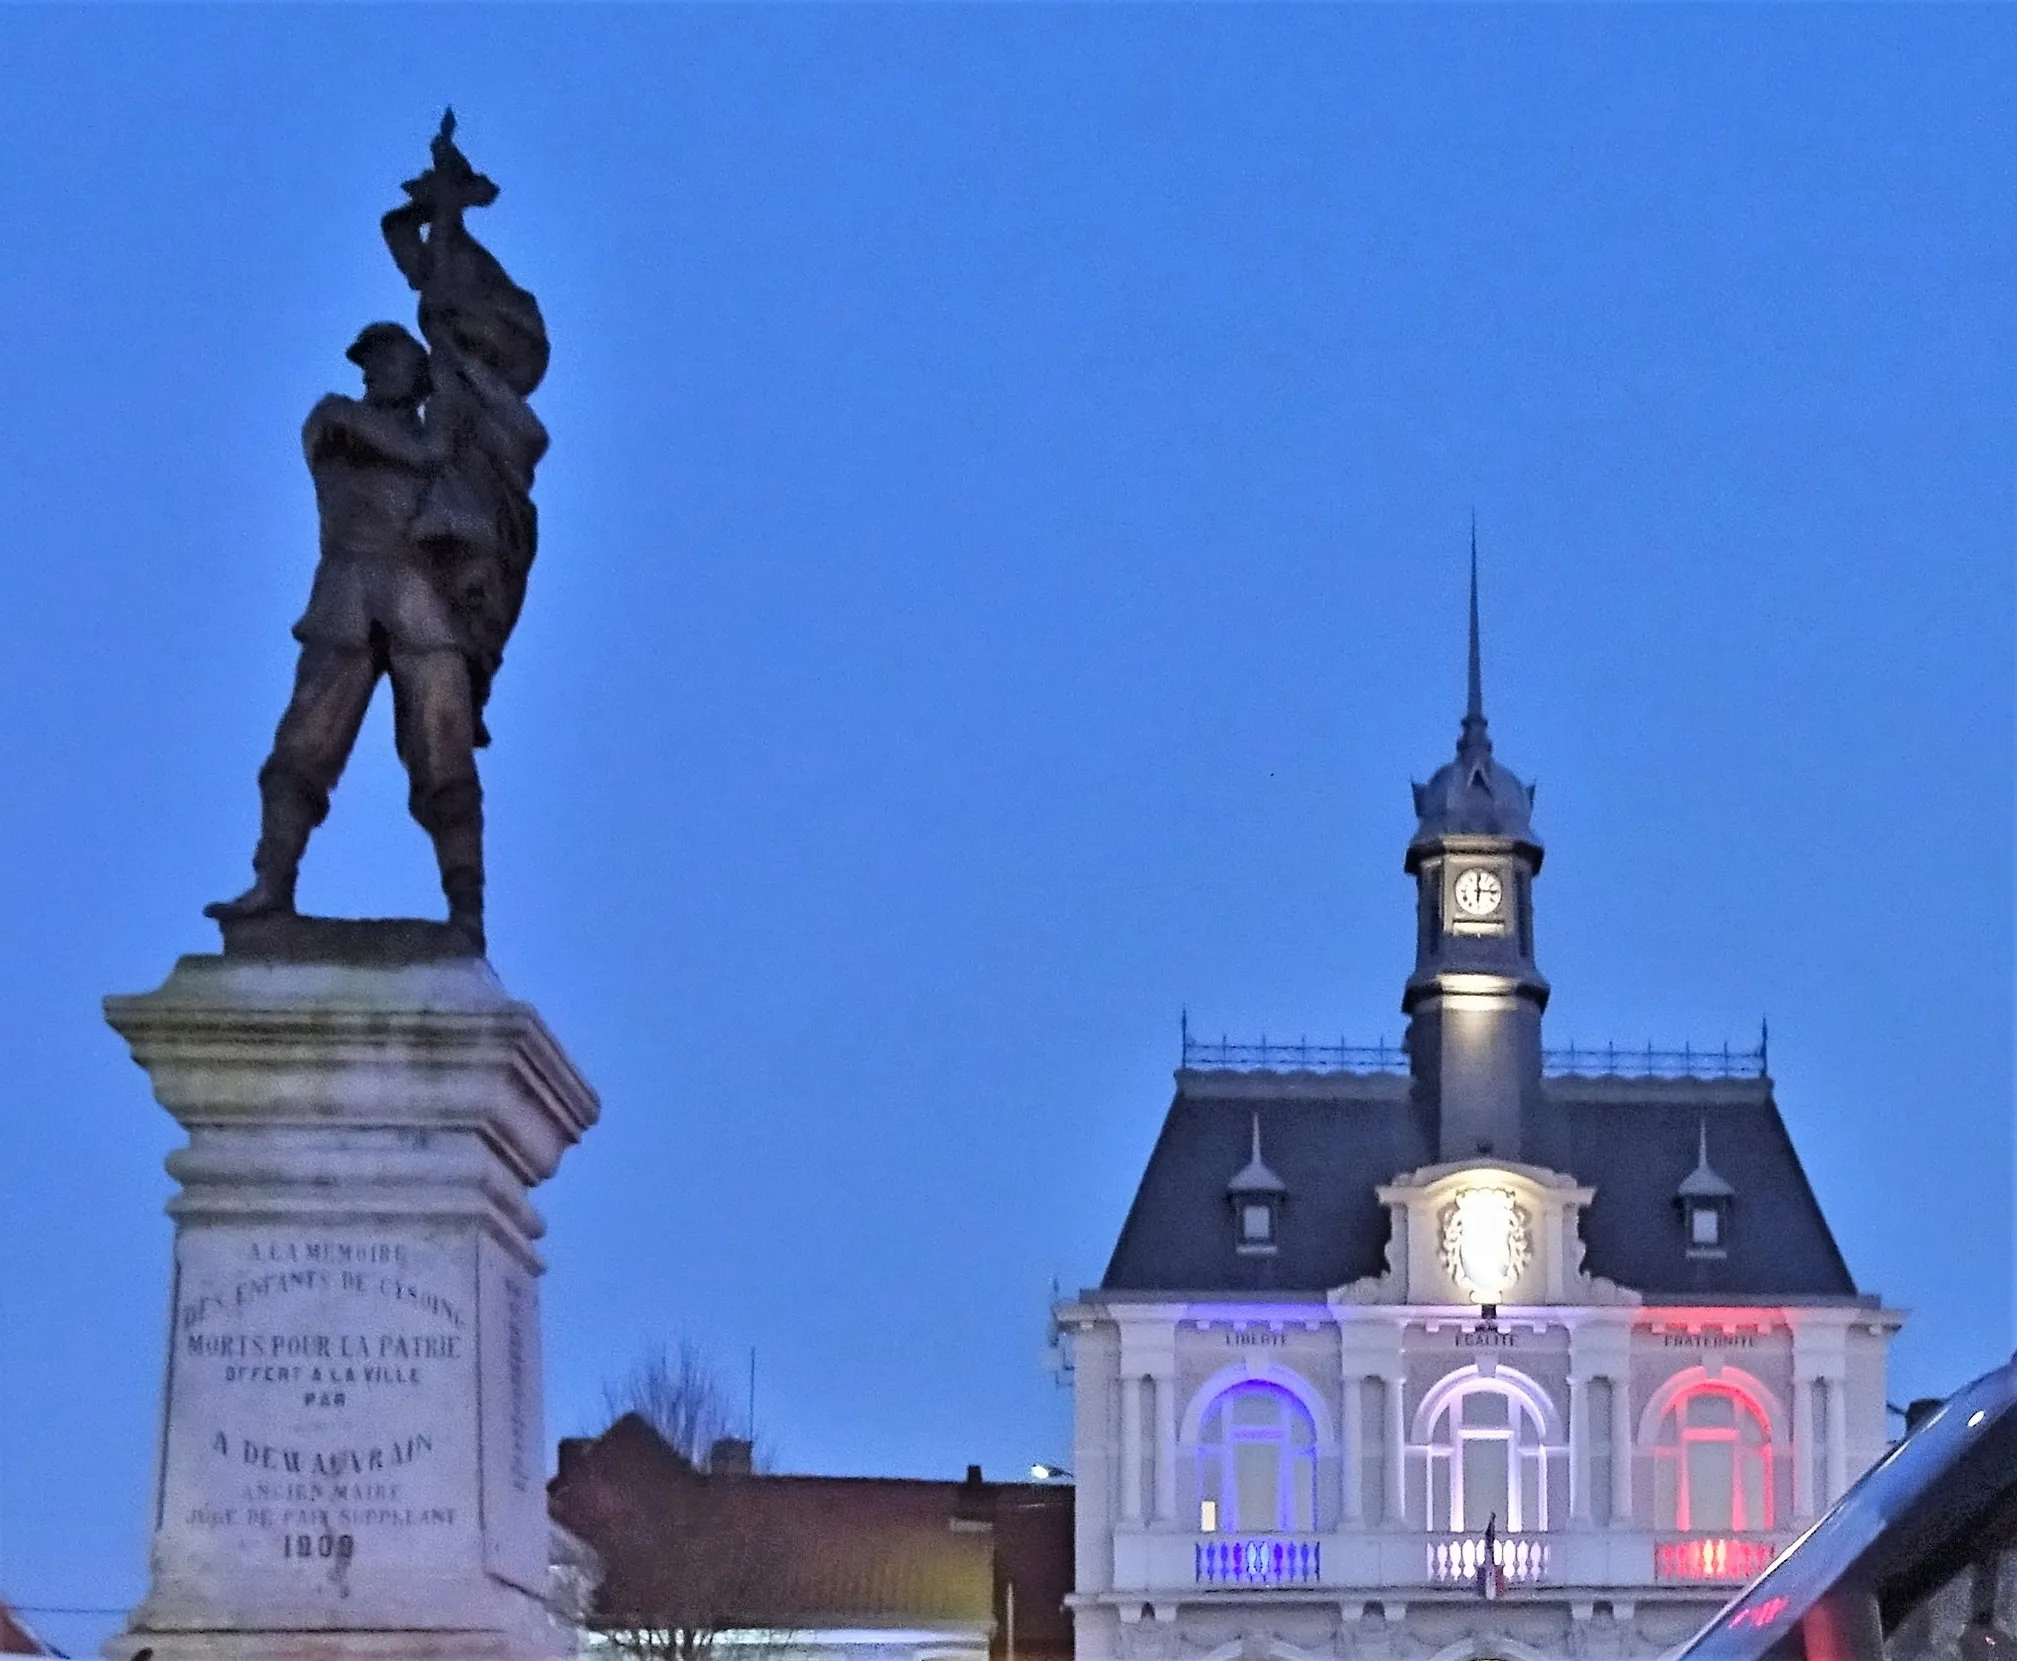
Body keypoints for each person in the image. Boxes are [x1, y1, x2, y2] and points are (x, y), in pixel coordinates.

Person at [205, 322, 488, 944]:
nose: (377, 369)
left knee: (445, 754)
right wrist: (447, 410)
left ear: (418, 373)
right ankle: (271, 883)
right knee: (303, 746)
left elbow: (479, 538)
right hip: (346, 595)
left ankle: (467, 908)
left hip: (421, 605)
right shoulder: (337, 419)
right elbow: (416, 454)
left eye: (394, 358)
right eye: (373, 359)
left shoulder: (448, 460)